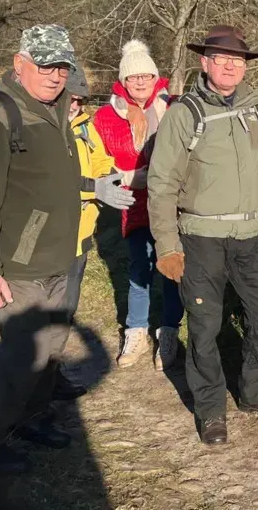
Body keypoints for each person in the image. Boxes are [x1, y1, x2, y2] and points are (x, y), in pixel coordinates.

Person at [0, 24, 82, 475]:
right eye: (44, 64)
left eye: (62, 65)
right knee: (21, 360)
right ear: (18, 62)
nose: (55, 74)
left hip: (57, 257)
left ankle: (27, 420)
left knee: (50, 352)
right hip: (15, 264)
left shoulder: (57, 110)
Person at [147, 25, 258, 445]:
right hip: (201, 237)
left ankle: (254, 391)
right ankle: (210, 410)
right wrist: (168, 246)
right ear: (204, 62)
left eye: (237, 60)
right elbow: (161, 184)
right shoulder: (183, 114)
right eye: (221, 58)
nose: (229, 66)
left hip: (254, 235)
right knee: (205, 329)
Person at [93, 39, 184, 371]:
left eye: (146, 75)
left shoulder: (175, 107)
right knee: (138, 270)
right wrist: (125, 178)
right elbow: (98, 162)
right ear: (124, 81)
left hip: (171, 204)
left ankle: (170, 330)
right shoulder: (105, 116)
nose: (141, 82)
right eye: (133, 77)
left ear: (156, 77)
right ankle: (136, 330)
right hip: (133, 204)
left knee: (173, 268)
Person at [58, 67, 129, 400]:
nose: (74, 104)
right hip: (48, 239)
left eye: (79, 99)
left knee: (67, 308)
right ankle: (28, 386)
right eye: (69, 98)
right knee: (44, 315)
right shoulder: (43, 128)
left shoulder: (85, 126)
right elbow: (51, 181)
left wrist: (112, 177)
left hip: (80, 236)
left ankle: (50, 376)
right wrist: (95, 189)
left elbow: (100, 159)